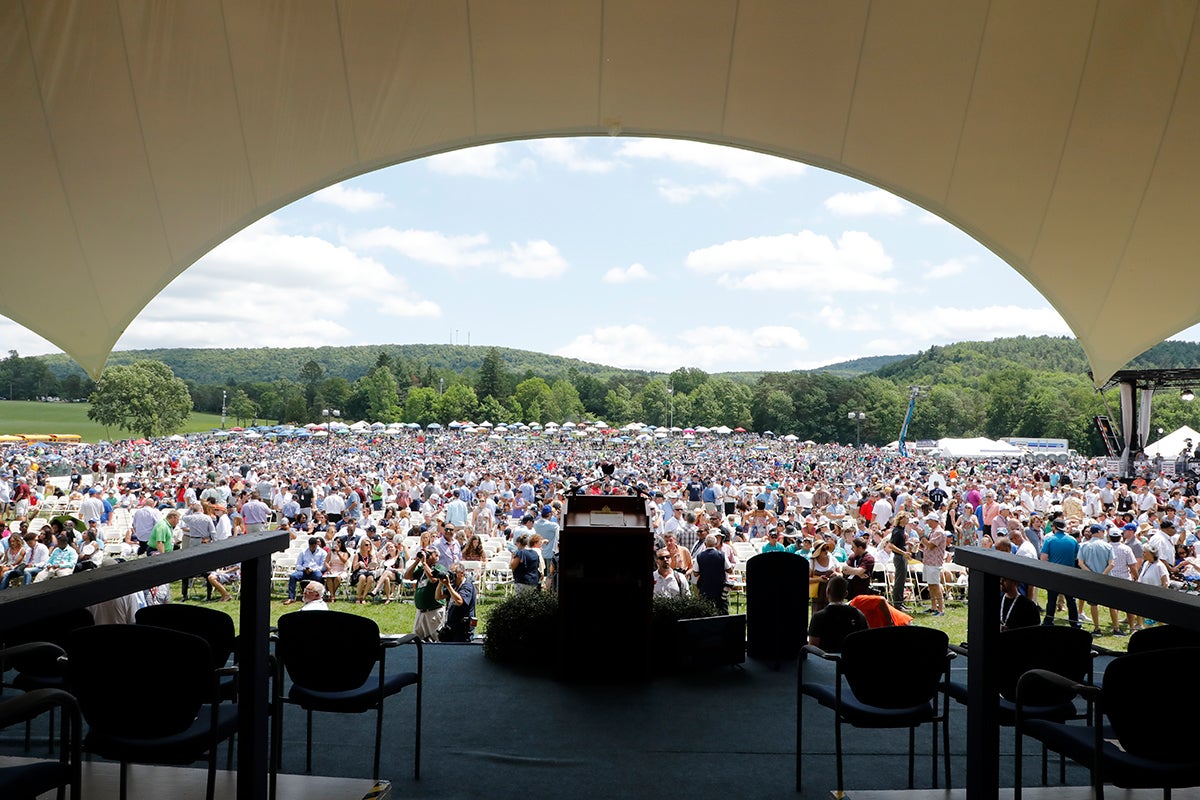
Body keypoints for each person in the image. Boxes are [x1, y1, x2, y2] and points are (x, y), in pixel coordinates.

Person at [807, 576, 869, 651]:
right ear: (846, 594)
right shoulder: (858, 615)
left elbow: (813, 647)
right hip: (851, 660)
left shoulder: (818, 617)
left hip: (825, 660)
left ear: (827, 592)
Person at [1077, 523, 1117, 635]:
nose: (1104, 533)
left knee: (1093, 604)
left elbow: (1080, 563)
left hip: (1091, 579)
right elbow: (1112, 564)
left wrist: (1091, 574)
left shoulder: (1083, 546)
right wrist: (1103, 574)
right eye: (1103, 531)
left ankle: (1097, 628)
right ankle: (1116, 629)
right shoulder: (1108, 546)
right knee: (1112, 604)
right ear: (1099, 532)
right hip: (1107, 579)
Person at [1040, 519, 1081, 628]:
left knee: (1052, 599)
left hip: (1054, 574)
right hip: (1069, 573)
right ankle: (1074, 622)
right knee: (1071, 600)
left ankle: (1049, 621)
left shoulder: (1049, 540)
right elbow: (1078, 556)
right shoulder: (1073, 540)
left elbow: (1043, 558)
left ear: (1054, 527)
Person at [405, 548, 446, 641]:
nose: (426, 555)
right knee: (416, 639)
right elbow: (407, 576)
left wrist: (424, 563)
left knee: (435, 639)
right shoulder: (421, 569)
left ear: (436, 556)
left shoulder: (440, 568)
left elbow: (433, 579)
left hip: (433, 611)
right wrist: (417, 562)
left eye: (429, 553)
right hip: (421, 612)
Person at [436, 562, 476, 642]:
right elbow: (438, 597)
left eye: (453, 573)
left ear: (462, 573)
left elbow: (459, 601)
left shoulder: (467, 585)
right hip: (451, 626)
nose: (451, 576)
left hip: (463, 629)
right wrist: (440, 583)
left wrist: (448, 585)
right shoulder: (454, 584)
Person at [694, 534, 732, 614]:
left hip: (705, 586)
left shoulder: (699, 556)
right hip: (719, 586)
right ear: (715, 544)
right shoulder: (722, 555)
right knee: (722, 608)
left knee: (705, 609)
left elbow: (695, 573)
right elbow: (729, 570)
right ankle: (726, 624)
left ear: (705, 544)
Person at [284, 537, 327, 605]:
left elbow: (323, 566)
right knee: (293, 576)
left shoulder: (322, 553)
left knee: (319, 576)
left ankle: (317, 596)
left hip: (315, 571)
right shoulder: (303, 552)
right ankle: (291, 598)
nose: (312, 548)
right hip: (304, 571)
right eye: (310, 546)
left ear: (316, 545)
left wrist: (313, 569)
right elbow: (298, 565)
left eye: (313, 546)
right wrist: (304, 569)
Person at [919, 515, 947, 616]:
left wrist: (922, 537)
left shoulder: (939, 532)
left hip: (934, 563)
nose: (927, 523)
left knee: (935, 585)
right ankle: (933, 607)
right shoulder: (933, 531)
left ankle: (941, 609)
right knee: (930, 585)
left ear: (934, 520)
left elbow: (930, 545)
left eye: (929, 521)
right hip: (929, 562)